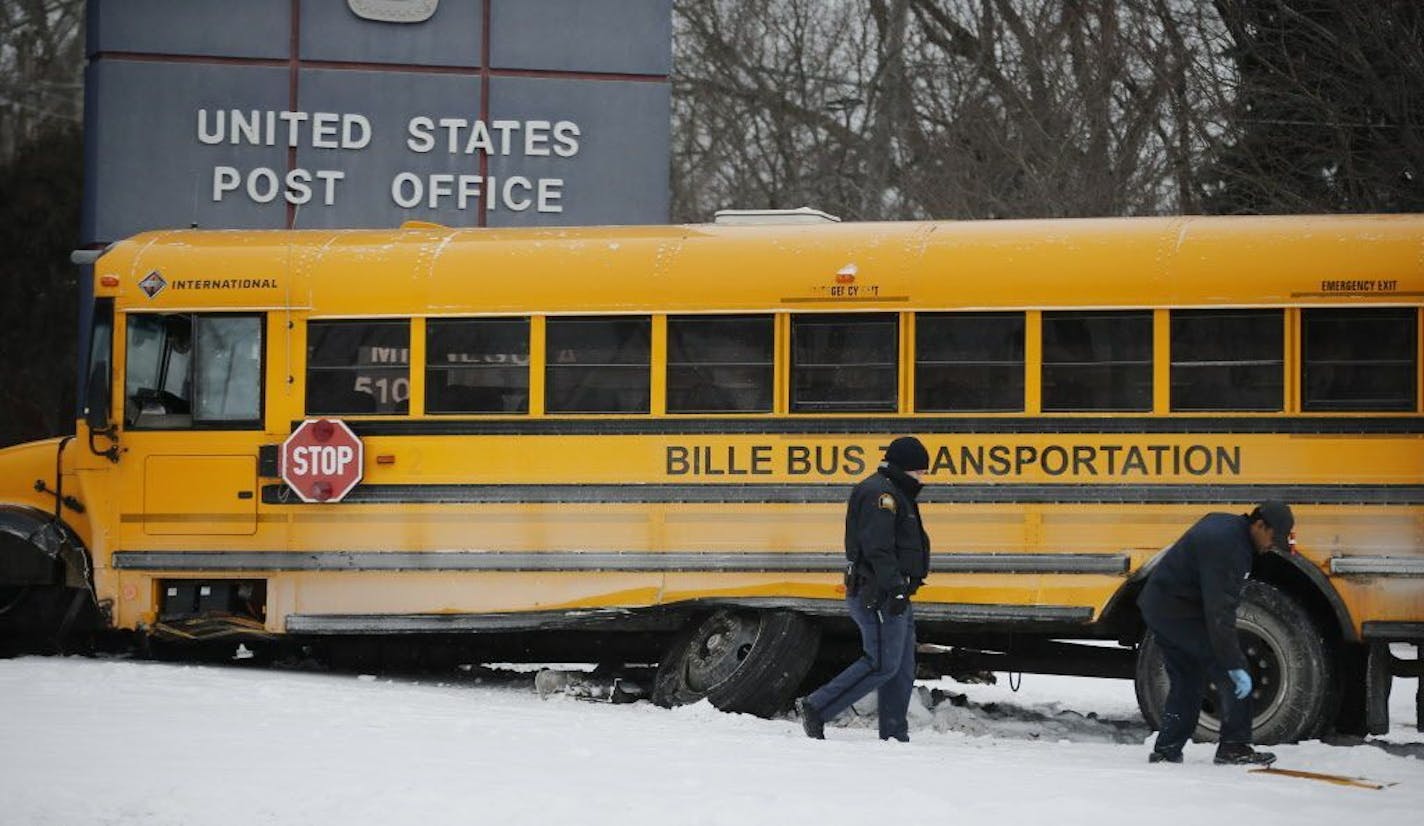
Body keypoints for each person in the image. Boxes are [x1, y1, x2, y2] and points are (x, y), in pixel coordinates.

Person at [1138, 500, 1295, 765]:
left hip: (1163, 606)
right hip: (1177, 613)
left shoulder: (1228, 526)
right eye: (1272, 537)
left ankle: (1167, 749)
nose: (1271, 546)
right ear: (1259, 524)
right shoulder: (1230, 547)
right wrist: (1234, 664)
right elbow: (1219, 613)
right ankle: (1234, 747)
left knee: (1187, 679)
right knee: (1231, 671)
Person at [796, 436, 931, 742]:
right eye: (920, 473)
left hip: (894, 593)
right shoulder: (880, 494)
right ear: (903, 469)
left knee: (900, 668)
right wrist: (895, 588)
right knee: (881, 663)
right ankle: (817, 707)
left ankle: (895, 734)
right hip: (878, 593)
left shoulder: (895, 491)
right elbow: (877, 549)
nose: (924, 479)